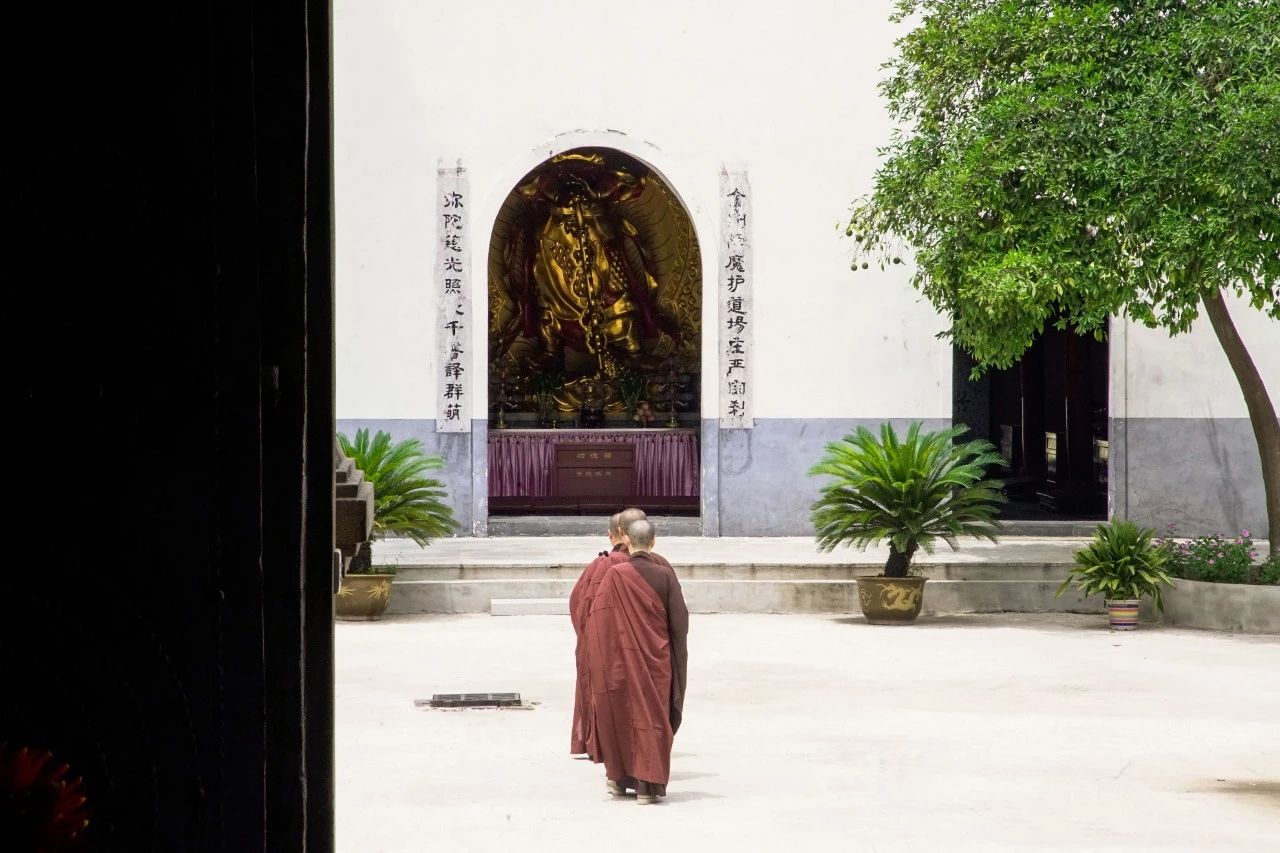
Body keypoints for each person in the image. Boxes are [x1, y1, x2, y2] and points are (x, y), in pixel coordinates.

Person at [585, 518, 689, 805]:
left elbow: (598, 623)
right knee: (653, 719)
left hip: (622, 660)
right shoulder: (665, 575)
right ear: (653, 542)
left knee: (623, 716)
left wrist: (606, 659)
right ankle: (647, 787)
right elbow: (680, 624)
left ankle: (619, 780)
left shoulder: (614, 575)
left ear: (626, 541)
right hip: (658, 662)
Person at [568, 507, 675, 757]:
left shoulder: (608, 565)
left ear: (617, 534)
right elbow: (676, 613)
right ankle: (650, 749)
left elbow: (582, 607)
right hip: (654, 648)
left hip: (614, 647)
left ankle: (608, 748)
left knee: (614, 697)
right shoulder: (662, 565)